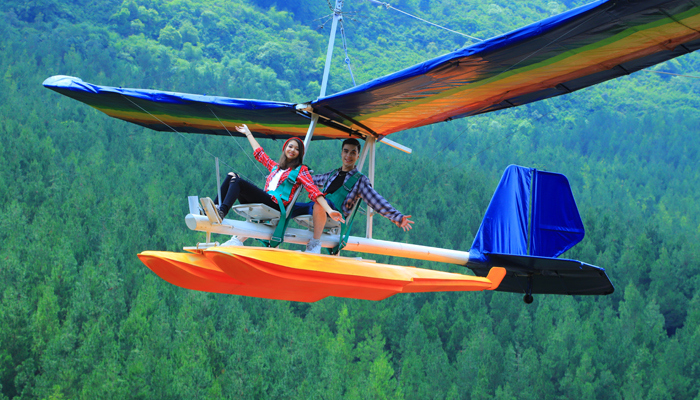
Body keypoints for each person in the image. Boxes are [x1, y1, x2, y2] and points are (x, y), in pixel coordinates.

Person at [213, 124, 343, 246]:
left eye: (297, 149)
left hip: (275, 204)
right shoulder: (275, 167)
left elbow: (314, 191)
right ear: (285, 148)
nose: (292, 150)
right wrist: (248, 133)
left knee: (238, 181)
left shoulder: (300, 170)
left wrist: (329, 210)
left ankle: (222, 211)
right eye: (290, 146)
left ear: (300, 154)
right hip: (266, 199)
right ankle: (215, 207)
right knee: (232, 175)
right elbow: (260, 154)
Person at [294, 138, 414, 253]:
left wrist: (397, 217)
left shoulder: (360, 180)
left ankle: (315, 244)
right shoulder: (333, 174)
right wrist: (295, 174)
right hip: (317, 207)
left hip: (335, 214)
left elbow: (376, 200)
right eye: (346, 151)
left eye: (353, 153)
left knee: (321, 202)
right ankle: (280, 236)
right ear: (341, 153)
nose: (348, 155)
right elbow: (311, 181)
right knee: (290, 207)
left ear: (357, 156)